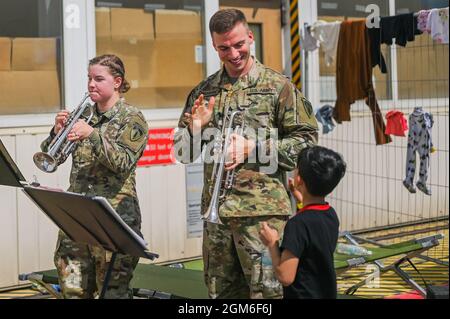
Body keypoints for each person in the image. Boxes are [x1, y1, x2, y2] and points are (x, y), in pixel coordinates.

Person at [174, 9, 318, 299]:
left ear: (250, 37)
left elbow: (307, 142)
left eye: (239, 44)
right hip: (217, 221)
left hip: (262, 218)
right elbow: (183, 153)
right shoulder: (204, 91)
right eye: (224, 48)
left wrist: (255, 148)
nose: (234, 53)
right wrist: (197, 130)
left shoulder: (279, 87)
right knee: (221, 295)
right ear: (214, 47)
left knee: (266, 295)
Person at [40, 54, 148, 298]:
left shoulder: (132, 118)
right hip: (77, 221)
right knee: (73, 290)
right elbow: (51, 160)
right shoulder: (84, 115)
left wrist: (92, 135)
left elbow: (123, 162)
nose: (91, 84)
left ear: (117, 82)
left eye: (99, 79)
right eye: (89, 78)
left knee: (112, 293)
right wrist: (56, 132)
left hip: (113, 219)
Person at [259, 146, 346, 299]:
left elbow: (286, 277)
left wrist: (272, 243)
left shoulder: (297, 225)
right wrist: (298, 194)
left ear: (299, 179)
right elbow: (313, 218)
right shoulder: (330, 214)